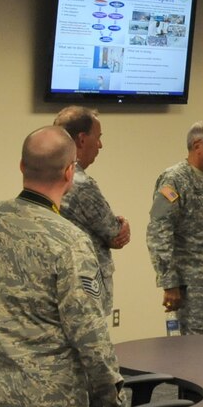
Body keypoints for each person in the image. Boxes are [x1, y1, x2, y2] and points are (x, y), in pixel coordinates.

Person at [0, 126, 138, 407]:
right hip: (51, 400)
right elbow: (88, 332)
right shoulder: (70, 240)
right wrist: (116, 402)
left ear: (21, 166)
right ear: (69, 172)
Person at [148, 120, 203, 334]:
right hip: (189, 289)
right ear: (197, 145)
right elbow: (159, 233)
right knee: (195, 352)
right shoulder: (174, 180)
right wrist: (169, 284)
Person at [53, 106, 131, 321]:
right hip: (87, 287)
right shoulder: (81, 184)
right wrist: (123, 225)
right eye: (98, 137)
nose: (100, 145)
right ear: (82, 139)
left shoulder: (47, 175)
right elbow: (114, 232)